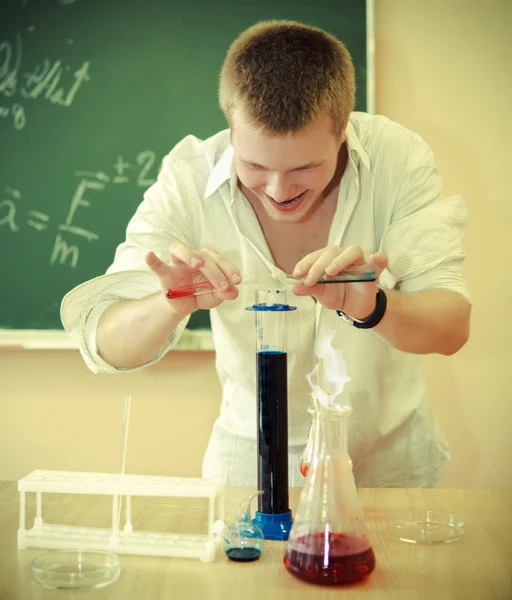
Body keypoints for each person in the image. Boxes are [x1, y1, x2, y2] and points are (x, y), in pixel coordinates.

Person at [61, 20, 471, 488]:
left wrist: (372, 305)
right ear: (230, 128)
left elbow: (452, 327)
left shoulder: (398, 159)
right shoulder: (189, 176)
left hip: (389, 471)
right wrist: (169, 303)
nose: (278, 191)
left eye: (305, 168)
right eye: (254, 165)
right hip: (246, 473)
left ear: (343, 132)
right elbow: (103, 343)